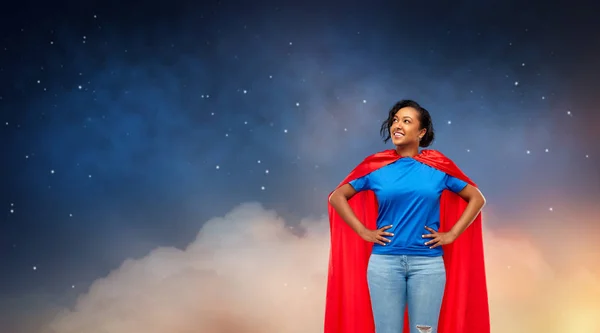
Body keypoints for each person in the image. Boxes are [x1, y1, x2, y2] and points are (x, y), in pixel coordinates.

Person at [324, 99, 490, 333]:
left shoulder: (438, 167)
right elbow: (337, 196)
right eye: (395, 120)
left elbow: (477, 198)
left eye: (406, 121)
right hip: (384, 264)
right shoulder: (376, 167)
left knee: (424, 332)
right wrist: (363, 231)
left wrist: (452, 234)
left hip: (428, 265)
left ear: (421, 132)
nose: (397, 125)